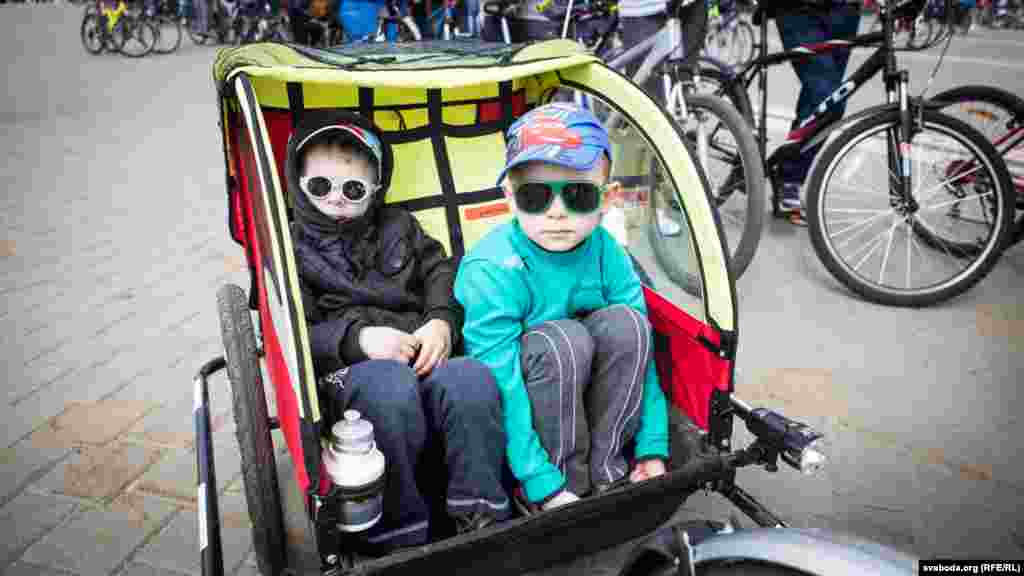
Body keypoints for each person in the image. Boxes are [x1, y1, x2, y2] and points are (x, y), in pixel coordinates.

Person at [288, 110, 511, 551]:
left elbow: (439, 271)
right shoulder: (292, 246)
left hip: (422, 353)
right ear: (299, 184)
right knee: (387, 388)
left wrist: (441, 320)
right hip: (350, 375)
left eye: (353, 189)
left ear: (374, 189)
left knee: (471, 379)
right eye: (320, 186)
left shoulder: (399, 225)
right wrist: (355, 340)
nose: (336, 198)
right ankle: (400, 532)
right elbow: (293, 332)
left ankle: (479, 508)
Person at [454, 103, 670, 514]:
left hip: (581, 386)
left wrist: (652, 447)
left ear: (607, 198)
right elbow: (503, 386)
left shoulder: (608, 251)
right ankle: (558, 484)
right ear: (509, 199)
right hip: (520, 421)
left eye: (578, 194)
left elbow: (646, 362)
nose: (557, 211)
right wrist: (538, 479)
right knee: (563, 341)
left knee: (632, 327)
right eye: (535, 196)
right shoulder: (491, 269)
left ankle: (611, 469)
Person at [759, 1, 861, 225]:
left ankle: (788, 176)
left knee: (822, 102)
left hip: (845, 11)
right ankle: (789, 177)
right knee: (828, 97)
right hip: (799, 9)